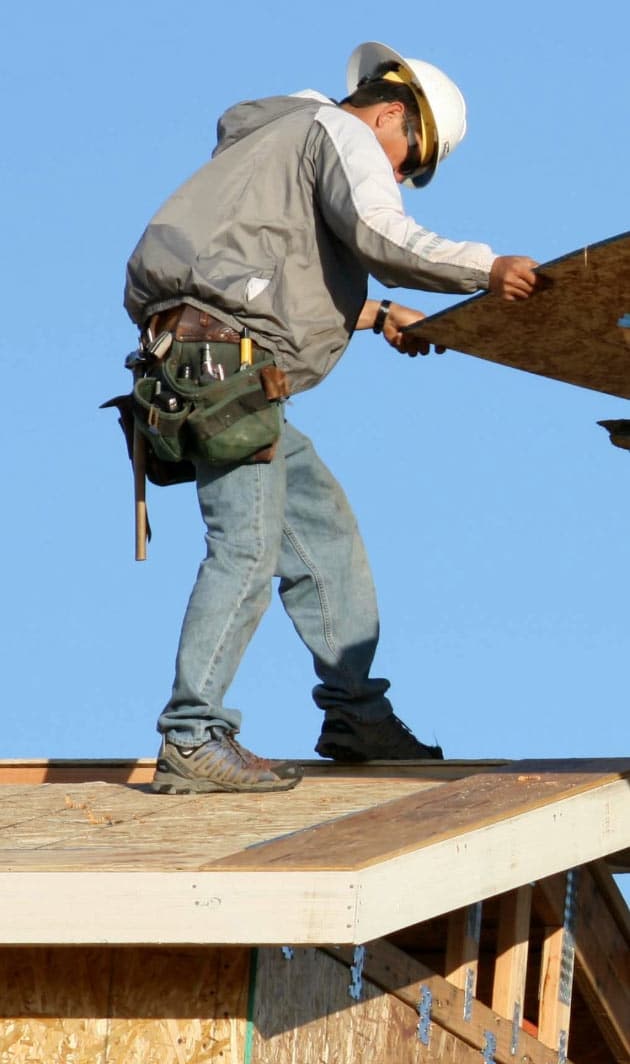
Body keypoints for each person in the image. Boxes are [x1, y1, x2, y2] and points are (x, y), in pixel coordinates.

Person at [124, 40, 538, 794]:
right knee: (246, 550)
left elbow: (254, 271)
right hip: (226, 369)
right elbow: (381, 235)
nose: (404, 177)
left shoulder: (273, 139)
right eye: (410, 160)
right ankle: (192, 733)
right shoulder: (338, 132)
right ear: (389, 113)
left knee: (322, 530)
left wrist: (373, 313)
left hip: (207, 361)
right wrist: (486, 267)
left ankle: (356, 714)